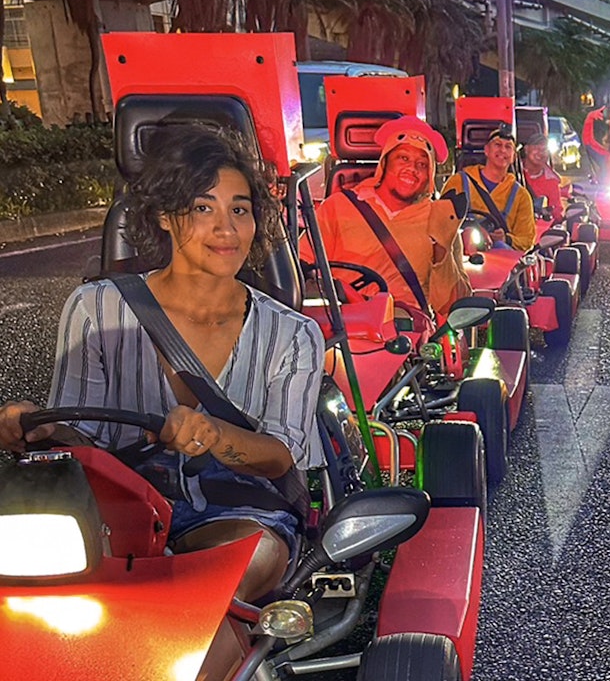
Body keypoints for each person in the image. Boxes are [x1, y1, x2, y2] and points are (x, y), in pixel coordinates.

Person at [0, 125, 326, 604]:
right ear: (164, 216)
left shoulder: (294, 333)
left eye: (239, 210)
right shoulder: (96, 308)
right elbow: (79, 439)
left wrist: (214, 435)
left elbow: (282, 455)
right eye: (203, 208)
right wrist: (39, 428)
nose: (227, 229)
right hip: (116, 504)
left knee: (214, 587)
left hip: (239, 509)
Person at [300, 115, 470, 325]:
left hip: (405, 331)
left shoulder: (441, 220)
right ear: (384, 162)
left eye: (422, 164)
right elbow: (302, 270)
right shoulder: (336, 207)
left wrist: (442, 245)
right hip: (341, 327)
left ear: (430, 175)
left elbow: (452, 307)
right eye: (403, 158)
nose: (412, 169)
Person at [440, 126, 536, 251]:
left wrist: (506, 239)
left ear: (513, 156)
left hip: (498, 258)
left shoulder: (521, 196)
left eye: (508, 147)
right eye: (497, 145)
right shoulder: (458, 182)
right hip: (461, 252)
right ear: (486, 150)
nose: (502, 150)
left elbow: (527, 240)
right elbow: (439, 221)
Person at [520, 131, 568, 222]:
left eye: (544, 149)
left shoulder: (551, 181)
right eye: (536, 148)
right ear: (526, 149)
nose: (540, 153)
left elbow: (556, 212)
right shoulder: (512, 171)